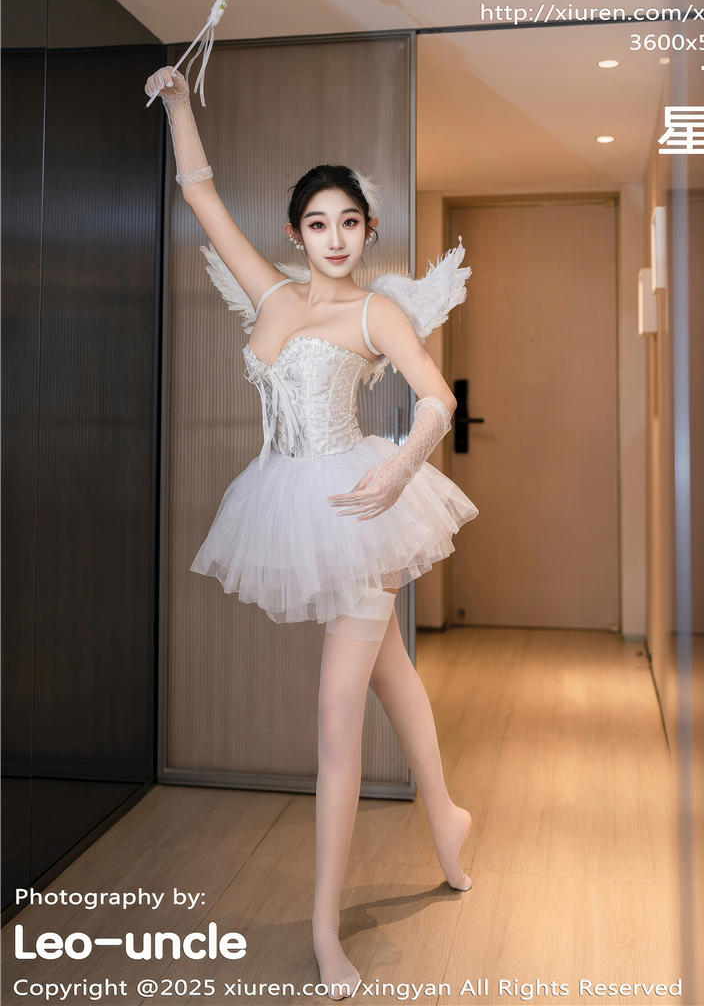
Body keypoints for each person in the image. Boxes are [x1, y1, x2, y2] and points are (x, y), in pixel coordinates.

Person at [145, 65, 479, 999]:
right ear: (297, 233)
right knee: (392, 676)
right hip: (289, 500)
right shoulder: (273, 295)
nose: (335, 238)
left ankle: (327, 934)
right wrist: (178, 103)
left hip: (361, 507)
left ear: (369, 231)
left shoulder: (377, 312)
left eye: (350, 223)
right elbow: (200, 193)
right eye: (318, 224)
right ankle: (448, 817)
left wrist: (398, 471)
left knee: (337, 719)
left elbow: (437, 400)